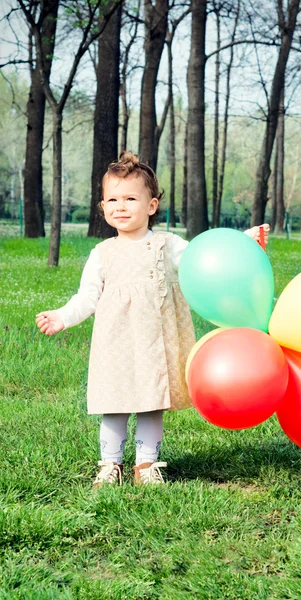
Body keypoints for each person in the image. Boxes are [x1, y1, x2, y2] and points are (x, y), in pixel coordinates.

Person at [36, 152, 270, 488]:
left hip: (154, 342)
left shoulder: (167, 245)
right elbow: (86, 296)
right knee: (113, 405)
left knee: (151, 404)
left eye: (131, 198)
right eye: (112, 200)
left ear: (151, 205)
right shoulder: (101, 253)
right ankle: (110, 464)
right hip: (115, 343)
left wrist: (242, 242)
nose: (121, 206)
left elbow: (205, 259)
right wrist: (62, 316)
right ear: (102, 208)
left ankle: (146, 465)